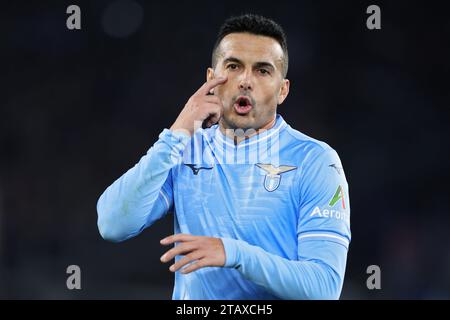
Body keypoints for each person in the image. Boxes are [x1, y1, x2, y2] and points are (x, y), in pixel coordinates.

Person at [97, 14, 351, 300]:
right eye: (233, 66)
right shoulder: (183, 150)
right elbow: (112, 224)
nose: (245, 80)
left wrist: (234, 252)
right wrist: (178, 131)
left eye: (262, 71)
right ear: (211, 79)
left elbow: (323, 289)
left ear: (283, 90)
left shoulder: (315, 161)